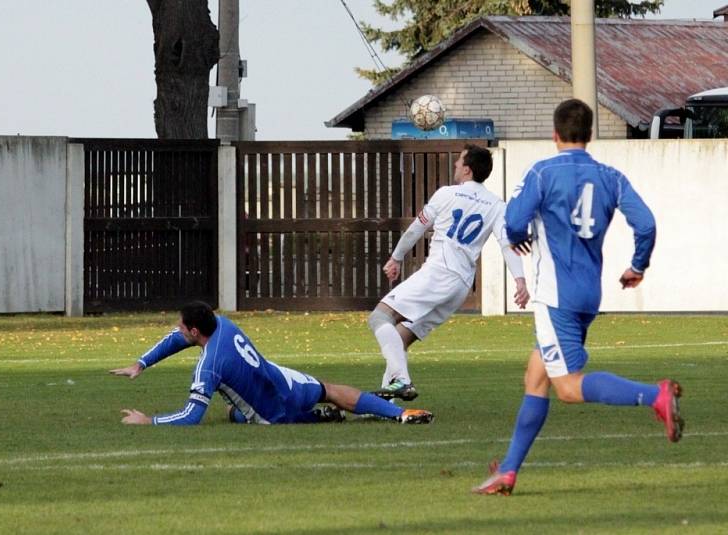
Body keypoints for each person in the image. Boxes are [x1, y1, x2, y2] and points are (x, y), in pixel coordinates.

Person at [472, 99, 683, 496]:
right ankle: (509, 471)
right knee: (536, 378)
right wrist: (637, 266)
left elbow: (514, 222)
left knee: (567, 387)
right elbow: (646, 223)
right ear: (590, 135)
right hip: (588, 294)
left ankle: (654, 396)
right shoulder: (611, 176)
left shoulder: (541, 172)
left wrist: (518, 239)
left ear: (554, 134)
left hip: (555, 296)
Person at [368, 144, 530, 401]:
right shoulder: (497, 205)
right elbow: (507, 244)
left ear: (466, 170)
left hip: (438, 273)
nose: (454, 165)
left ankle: (401, 380)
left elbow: (415, 229)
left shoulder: (446, 194)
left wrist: (396, 257)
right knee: (400, 338)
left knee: (379, 317)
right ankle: (383, 403)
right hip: (460, 287)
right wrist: (520, 280)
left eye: (458, 162)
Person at [110, 301, 434, 426]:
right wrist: (142, 363)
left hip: (270, 414)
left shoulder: (208, 366)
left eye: (182, 327)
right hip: (284, 380)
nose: (178, 331)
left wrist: (149, 421)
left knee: (234, 413)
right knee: (331, 389)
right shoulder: (222, 324)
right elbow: (177, 339)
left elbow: (192, 415)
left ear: (195, 331)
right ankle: (400, 413)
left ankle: (317, 419)